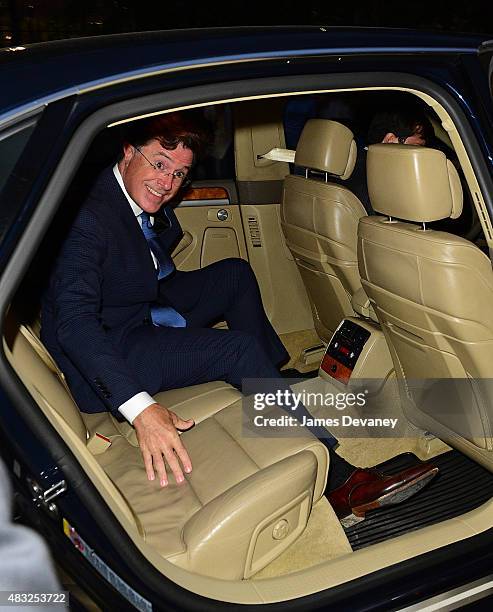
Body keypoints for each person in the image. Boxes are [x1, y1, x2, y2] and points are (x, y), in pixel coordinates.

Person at [41, 111, 437, 524]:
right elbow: (75, 322)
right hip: (110, 346)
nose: (168, 184)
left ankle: (268, 379)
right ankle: (340, 481)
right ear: (127, 151)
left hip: (133, 306)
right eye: (160, 164)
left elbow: (143, 250)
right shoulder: (85, 217)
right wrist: (141, 410)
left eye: (180, 174)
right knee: (237, 350)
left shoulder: (126, 194)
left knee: (234, 273)